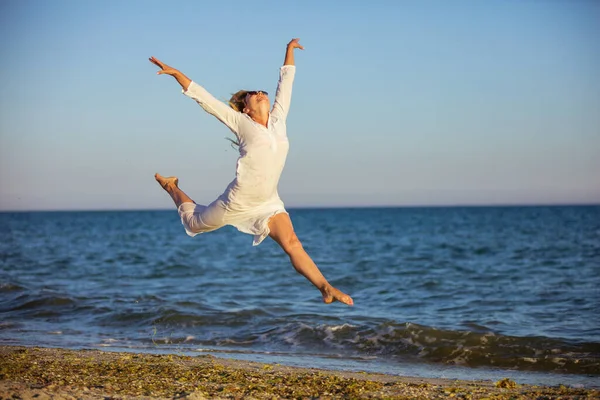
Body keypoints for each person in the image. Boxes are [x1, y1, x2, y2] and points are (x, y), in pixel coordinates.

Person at [149, 38, 353, 306]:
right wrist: (177, 74)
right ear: (246, 109)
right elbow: (205, 99)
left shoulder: (279, 120)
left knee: (292, 242)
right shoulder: (241, 122)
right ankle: (172, 188)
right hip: (237, 202)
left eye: (261, 91)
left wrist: (289, 50)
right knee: (194, 224)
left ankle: (325, 287)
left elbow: (286, 85)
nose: (260, 92)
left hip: (268, 202)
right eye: (252, 94)